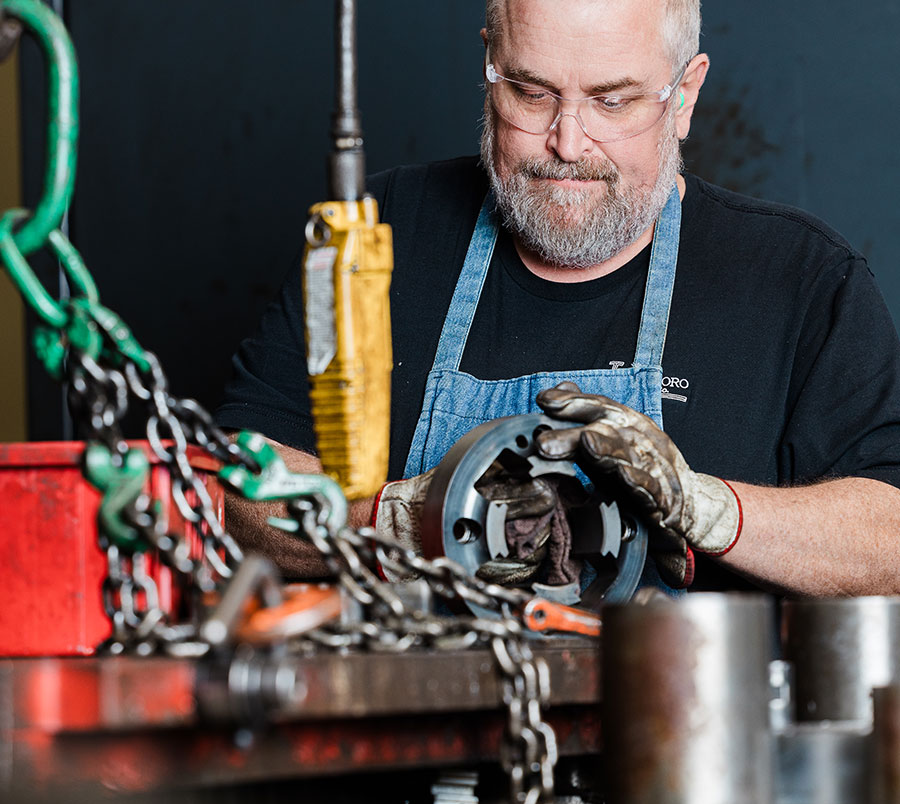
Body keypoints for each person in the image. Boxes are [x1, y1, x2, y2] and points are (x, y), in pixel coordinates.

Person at [215, 0, 900, 596]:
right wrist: (396, 518)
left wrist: (709, 510)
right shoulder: (381, 237)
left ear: (685, 95)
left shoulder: (802, 280)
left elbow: (888, 538)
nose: (567, 144)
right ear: (491, 68)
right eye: (532, 93)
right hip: (420, 726)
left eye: (612, 100)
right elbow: (229, 489)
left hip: (685, 726)